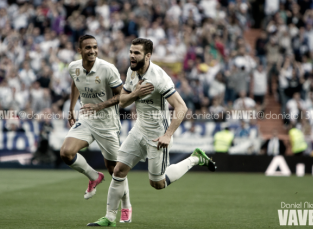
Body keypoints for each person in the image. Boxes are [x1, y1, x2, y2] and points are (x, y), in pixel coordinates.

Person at [87, 38, 216, 227]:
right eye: (131, 51)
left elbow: (181, 107)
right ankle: (110, 217)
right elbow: (122, 101)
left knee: (158, 184)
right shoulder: (132, 71)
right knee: (118, 170)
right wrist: (135, 95)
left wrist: (168, 134)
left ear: (148, 56)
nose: (131, 55)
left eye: (136, 53)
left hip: (158, 133)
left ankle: (195, 158)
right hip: (139, 128)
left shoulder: (159, 77)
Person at [59, 35, 132, 222]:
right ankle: (93, 176)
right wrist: (71, 108)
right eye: (88, 48)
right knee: (66, 153)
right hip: (87, 119)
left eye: (95, 47)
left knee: (115, 169)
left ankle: (126, 205)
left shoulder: (108, 69)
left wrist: (98, 106)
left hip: (107, 123)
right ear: (80, 50)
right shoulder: (73, 67)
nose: (92, 51)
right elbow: (75, 83)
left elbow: (122, 97)